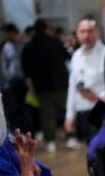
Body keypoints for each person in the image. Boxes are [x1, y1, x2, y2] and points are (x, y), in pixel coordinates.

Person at [64, 16, 105, 176]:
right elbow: (72, 87)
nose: (86, 36)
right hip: (83, 115)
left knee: (96, 158)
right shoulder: (76, 56)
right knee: (98, 157)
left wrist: (99, 96)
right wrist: (69, 115)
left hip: (101, 112)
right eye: (82, 32)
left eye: (89, 31)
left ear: (97, 33)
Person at [20, 18, 70, 153]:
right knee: (67, 111)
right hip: (61, 84)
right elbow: (67, 56)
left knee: (47, 116)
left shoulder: (29, 46)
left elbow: (26, 69)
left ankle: (50, 142)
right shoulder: (56, 42)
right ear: (47, 29)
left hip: (41, 86)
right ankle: (71, 138)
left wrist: (30, 85)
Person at [0, 23, 28, 134]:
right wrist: (7, 76)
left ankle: (29, 129)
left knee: (26, 106)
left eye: (6, 34)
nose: (5, 37)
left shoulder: (25, 44)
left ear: (13, 32)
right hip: (13, 80)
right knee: (14, 107)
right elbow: (4, 62)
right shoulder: (7, 46)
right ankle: (17, 130)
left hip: (26, 80)